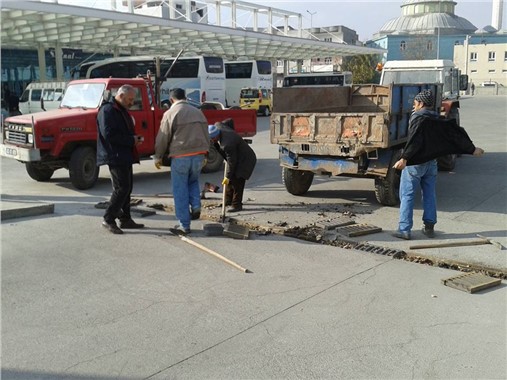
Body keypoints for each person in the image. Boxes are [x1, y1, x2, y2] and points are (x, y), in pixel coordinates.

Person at [392, 89, 484, 240]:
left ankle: (404, 230)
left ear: (421, 103)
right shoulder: (437, 118)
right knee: (429, 195)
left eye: (415, 103)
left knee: (407, 195)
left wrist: (404, 158)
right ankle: (429, 228)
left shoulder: (418, 117)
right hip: (431, 163)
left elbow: (415, 139)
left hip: (415, 165)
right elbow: (454, 133)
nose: (413, 106)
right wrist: (471, 149)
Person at [154, 88, 209, 235]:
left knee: (180, 189)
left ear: (172, 100)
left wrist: (158, 156)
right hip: (199, 155)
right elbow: (206, 133)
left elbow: (163, 137)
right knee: (193, 182)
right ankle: (196, 205)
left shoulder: (170, 113)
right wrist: (206, 153)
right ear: (185, 97)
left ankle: (184, 225)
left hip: (180, 157)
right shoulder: (198, 112)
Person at [97, 84, 145, 234]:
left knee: (127, 188)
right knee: (121, 188)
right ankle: (108, 218)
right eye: (130, 99)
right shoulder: (108, 110)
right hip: (115, 155)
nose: (132, 102)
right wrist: (131, 140)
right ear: (121, 96)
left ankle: (125, 218)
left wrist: (134, 139)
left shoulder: (120, 109)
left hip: (124, 154)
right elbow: (109, 134)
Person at [208, 121, 257, 212]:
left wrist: (227, 176)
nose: (210, 141)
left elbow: (231, 162)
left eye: (211, 139)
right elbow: (228, 121)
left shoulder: (227, 144)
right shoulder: (217, 126)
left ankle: (236, 205)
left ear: (215, 137)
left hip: (245, 159)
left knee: (237, 181)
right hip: (236, 155)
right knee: (230, 181)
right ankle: (227, 200)